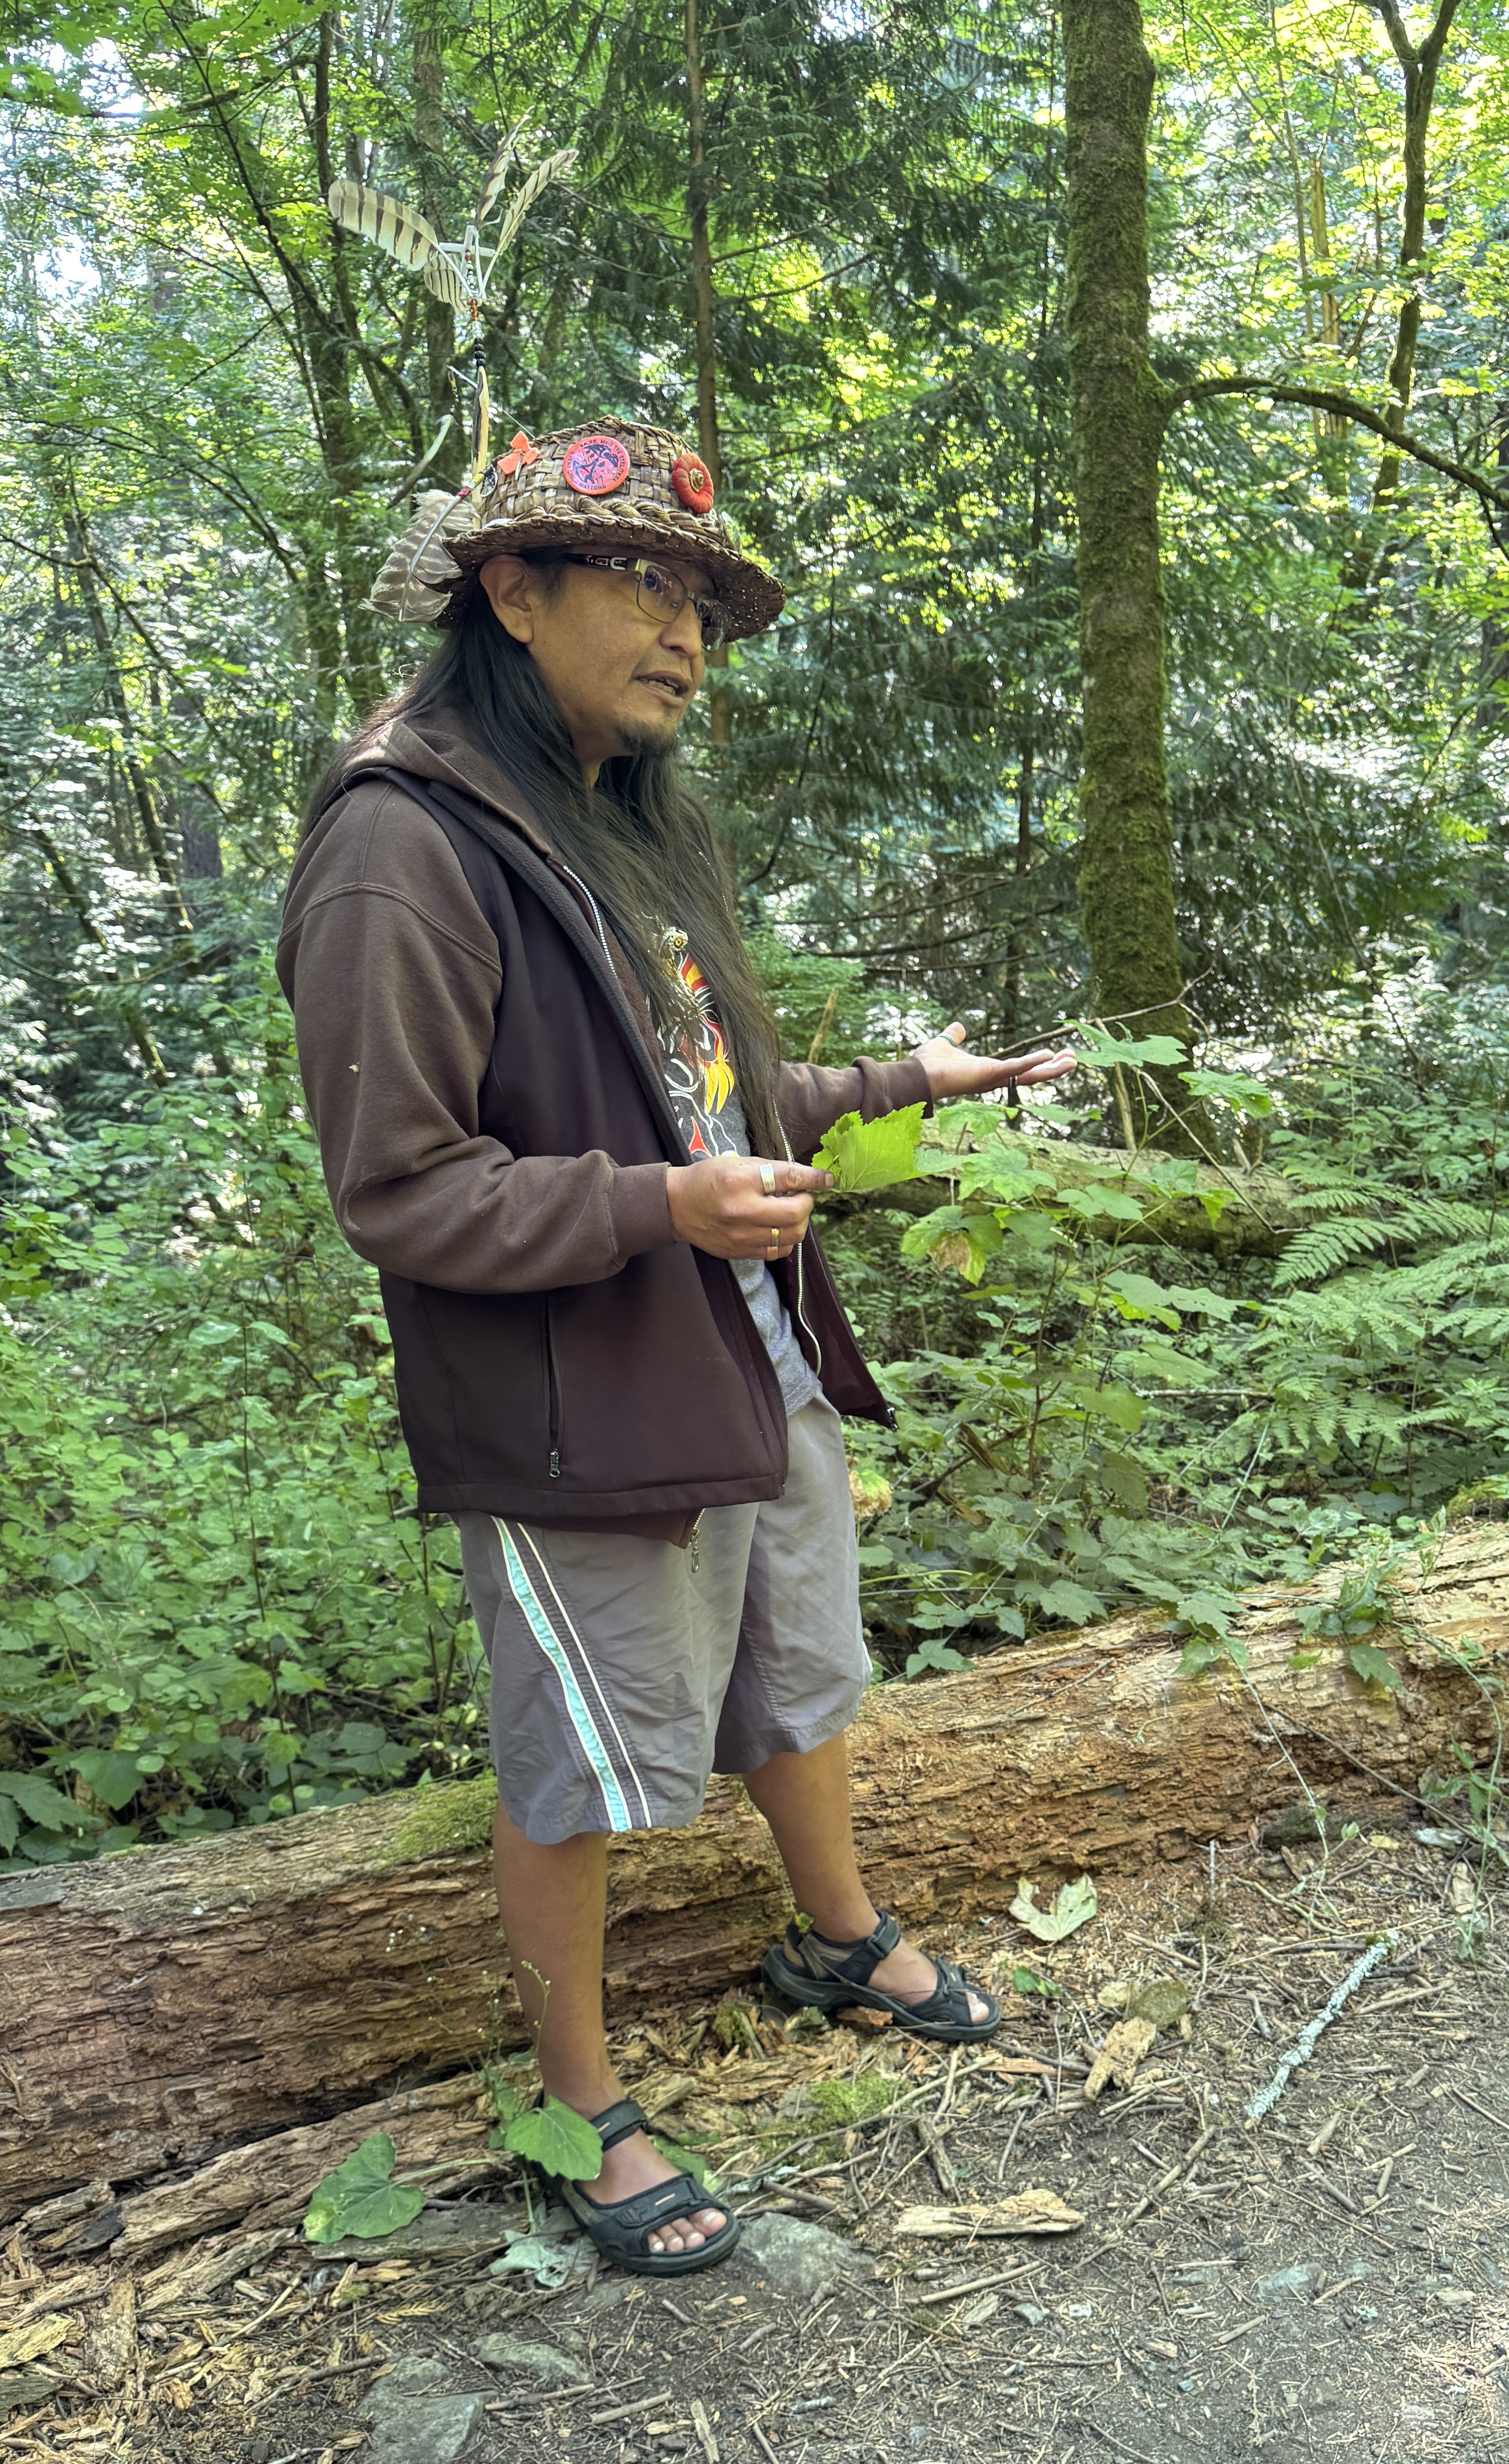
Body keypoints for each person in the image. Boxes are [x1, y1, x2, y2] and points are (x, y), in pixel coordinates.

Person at [279, 419, 1074, 2277]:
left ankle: (839, 1938)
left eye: (706, 598)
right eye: (646, 583)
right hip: (579, 1410)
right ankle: (579, 2101)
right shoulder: (403, 846)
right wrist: (660, 1210)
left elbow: (697, 1095)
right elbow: (399, 1189)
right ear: (513, 590)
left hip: (741, 1347)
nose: (689, 631)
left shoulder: (613, 818)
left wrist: (898, 1084)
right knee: (584, 1759)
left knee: (802, 1667)